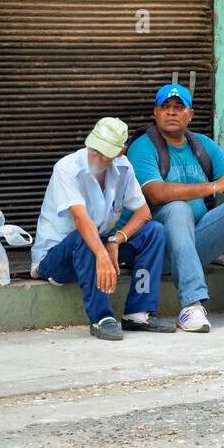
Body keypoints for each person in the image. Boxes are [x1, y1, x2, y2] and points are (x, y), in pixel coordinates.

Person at [126, 83, 224, 332]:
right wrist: (214, 186)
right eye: (165, 107)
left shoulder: (202, 145)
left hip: (193, 245)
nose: (172, 112)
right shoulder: (143, 146)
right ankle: (190, 304)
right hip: (156, 253)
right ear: (155, 113)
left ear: (190, 114)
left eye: (179, 107)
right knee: (178, 208)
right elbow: (155, 192)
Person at [31, 117, 175, 340]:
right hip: (56, 260)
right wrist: (102, 253)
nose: (97, 157)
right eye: (94, 150)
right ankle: (101, 318)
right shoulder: (67, 168)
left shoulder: (124, 168)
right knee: (86, 235)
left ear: (120, 152)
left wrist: (117, 239)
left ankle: (138, 313)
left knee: (154, 231)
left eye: (104, 154)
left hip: (97, 245)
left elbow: (143, 212)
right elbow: (81, 219)